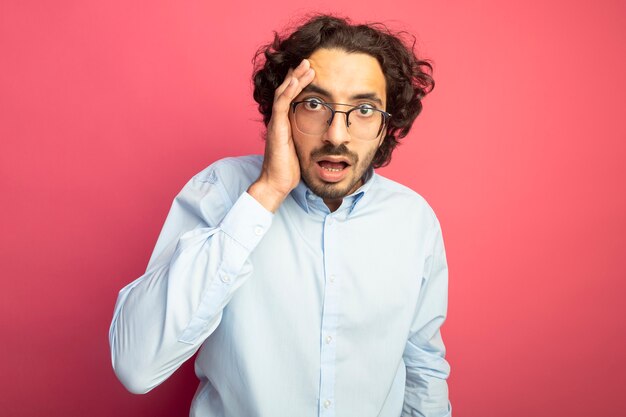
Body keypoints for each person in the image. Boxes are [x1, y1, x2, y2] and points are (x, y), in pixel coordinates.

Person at [109, 14, 451, 417]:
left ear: (385, 126)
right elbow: (136, 365)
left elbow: (423, 370)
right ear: (280, 112)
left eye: (363, 109)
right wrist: (267, 192)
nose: (336, 135)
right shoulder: (222, 191)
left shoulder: (414, 222)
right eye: (313, 104)